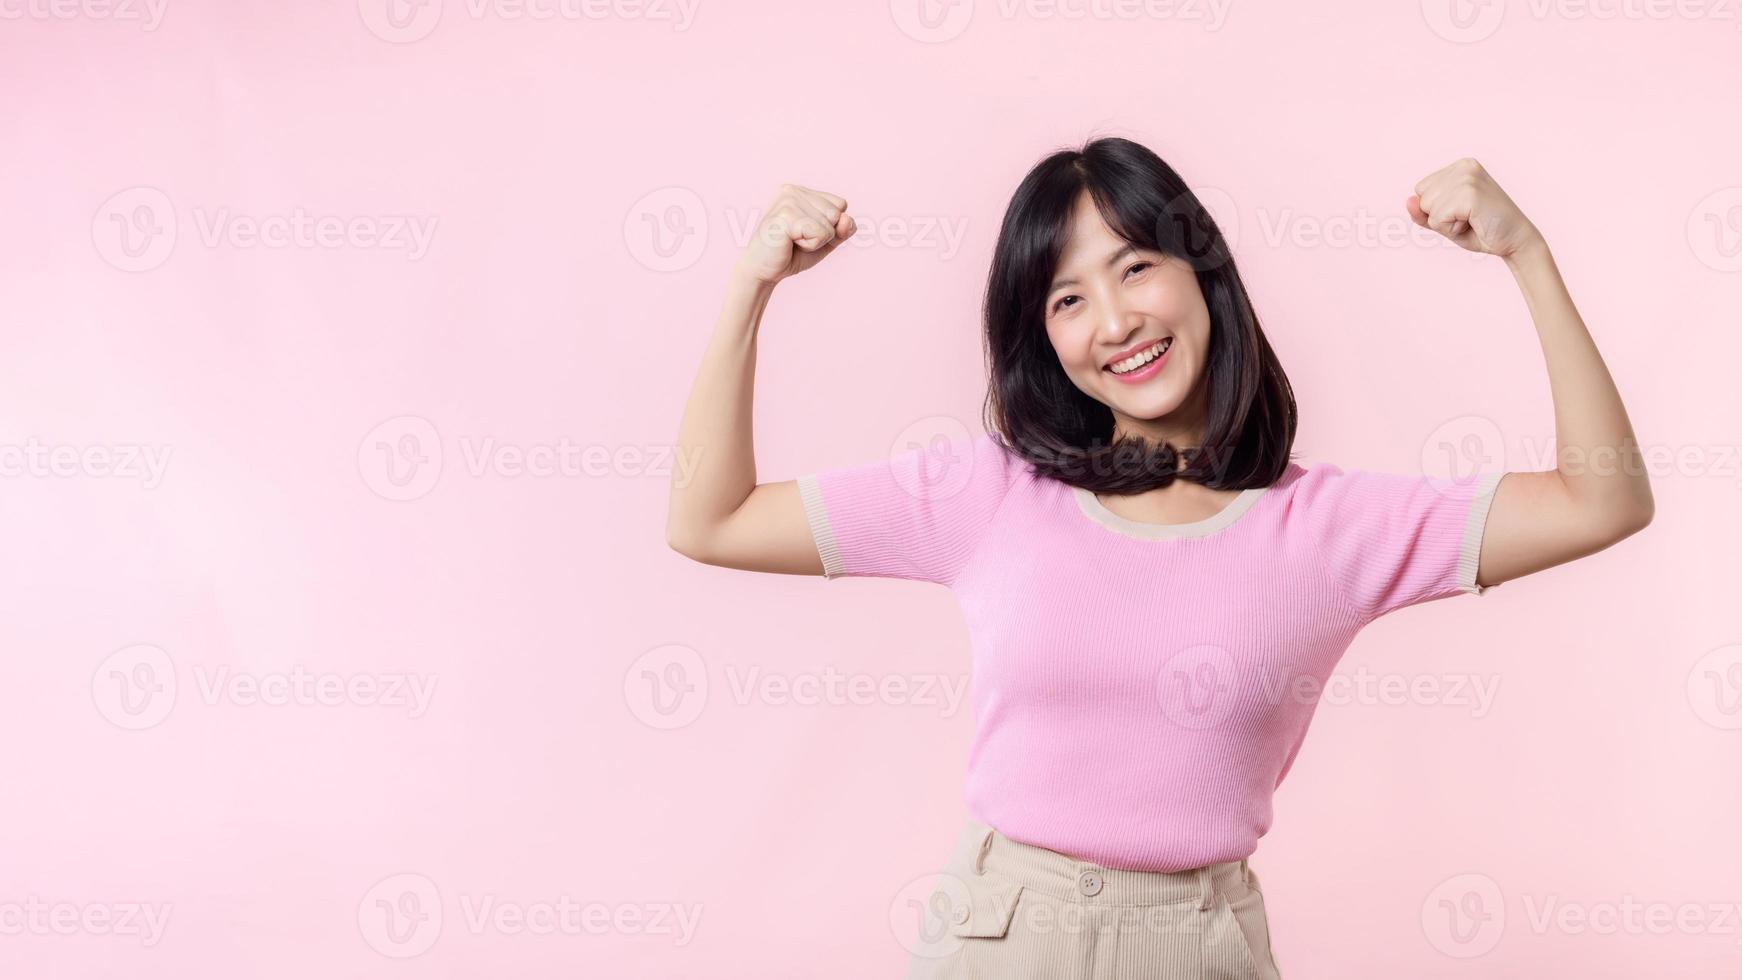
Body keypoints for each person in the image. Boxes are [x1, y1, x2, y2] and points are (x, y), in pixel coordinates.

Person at [664, 137, 1654, 979]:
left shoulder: (1328, 526)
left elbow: (1599, 499)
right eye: (1065, 298)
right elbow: (710, 519)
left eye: (1134, 266)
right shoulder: (987, 493)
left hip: (1198, 945)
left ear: (1200, 273)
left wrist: (1526, 253)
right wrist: (750, 285)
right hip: (1002, 935)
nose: (1113, 322)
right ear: (1040, 340)